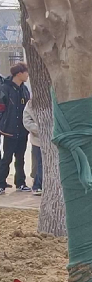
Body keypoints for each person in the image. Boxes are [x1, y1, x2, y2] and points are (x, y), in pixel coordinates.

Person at [0, 62, 31, 194]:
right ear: (19, 73)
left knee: (21, 158)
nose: (28, 75)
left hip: (22, 130)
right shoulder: (4, 89)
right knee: (7, 158)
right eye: (26, 72)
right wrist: (3, 124)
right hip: (9, 130)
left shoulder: (24, 89)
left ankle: (20, 183)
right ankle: (1, 183)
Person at [23, 99, 42, 195]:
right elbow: (26, 121)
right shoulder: (31, 103)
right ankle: (37, 186)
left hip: (53, 139)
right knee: (39, 163)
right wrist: (40, 129)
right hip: (37, 140)